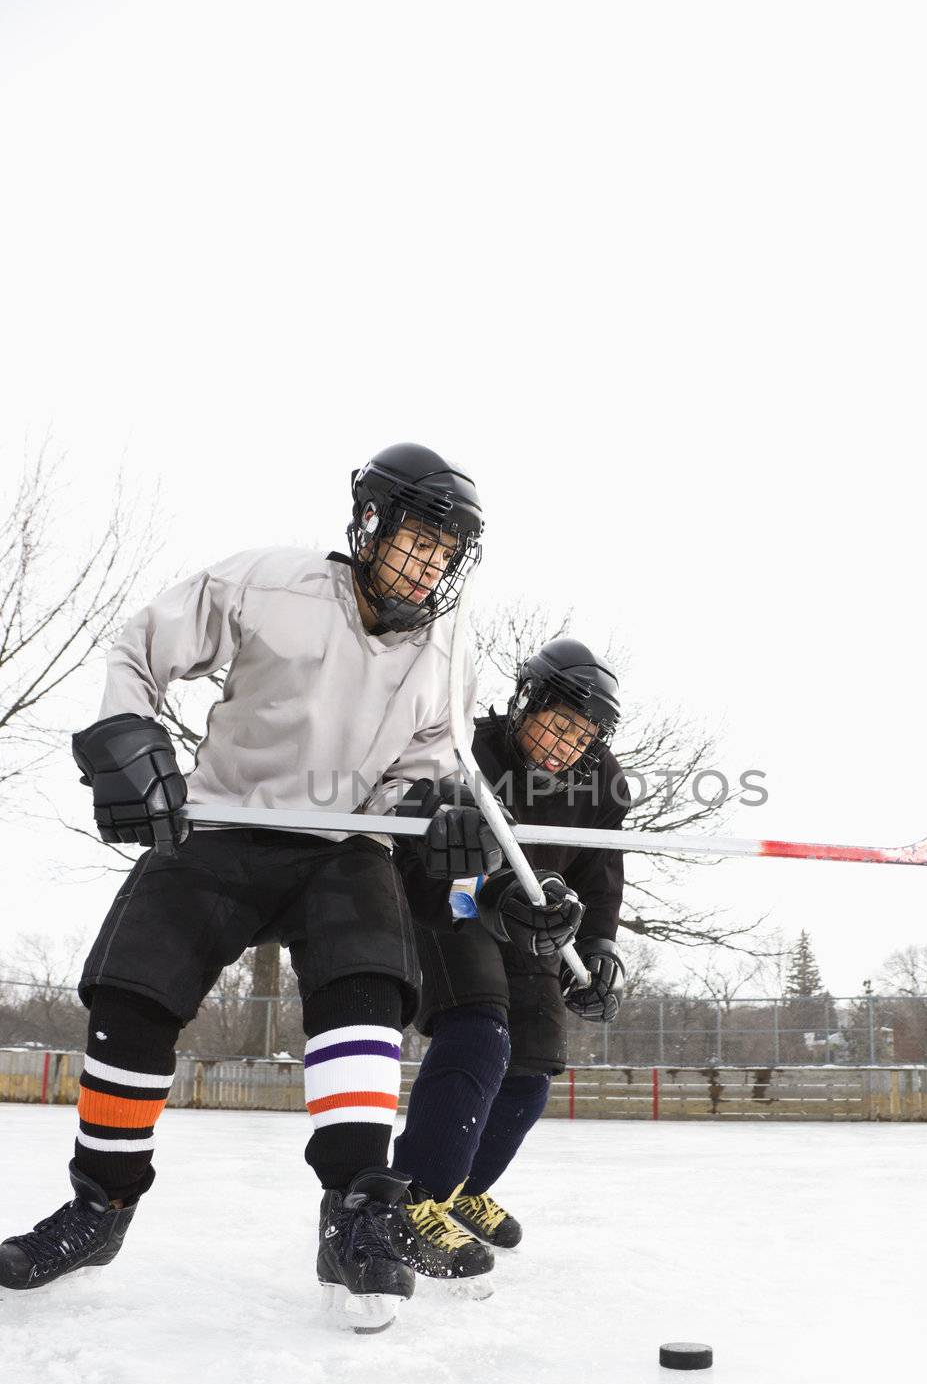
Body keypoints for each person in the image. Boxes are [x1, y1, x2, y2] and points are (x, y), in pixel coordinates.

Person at [0, 442, 519, 1327]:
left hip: (344, 845)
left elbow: (419, 771)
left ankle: (356, 1210)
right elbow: (139, 645)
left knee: (365, 994)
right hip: (223, 823)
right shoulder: (266, 585)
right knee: (134, 995)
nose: (427, 566)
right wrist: (125, 730)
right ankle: (101, 1206)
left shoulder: (443, 654)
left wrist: (435, 809)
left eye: (444, 554)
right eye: (415, 542)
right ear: (369, 525)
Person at [392, 638, 629, 1256]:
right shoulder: (466, 748)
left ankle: (463, 1187)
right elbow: (420, 846)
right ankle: (415, 1199)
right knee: (481, 1032)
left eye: (583, 737)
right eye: (558, 725)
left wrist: (600, 946)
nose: (566, 745)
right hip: (456, 906)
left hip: (536, 926)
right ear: (527, 701)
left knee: (533, 1063)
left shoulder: (602, 781)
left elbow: (601, 871)